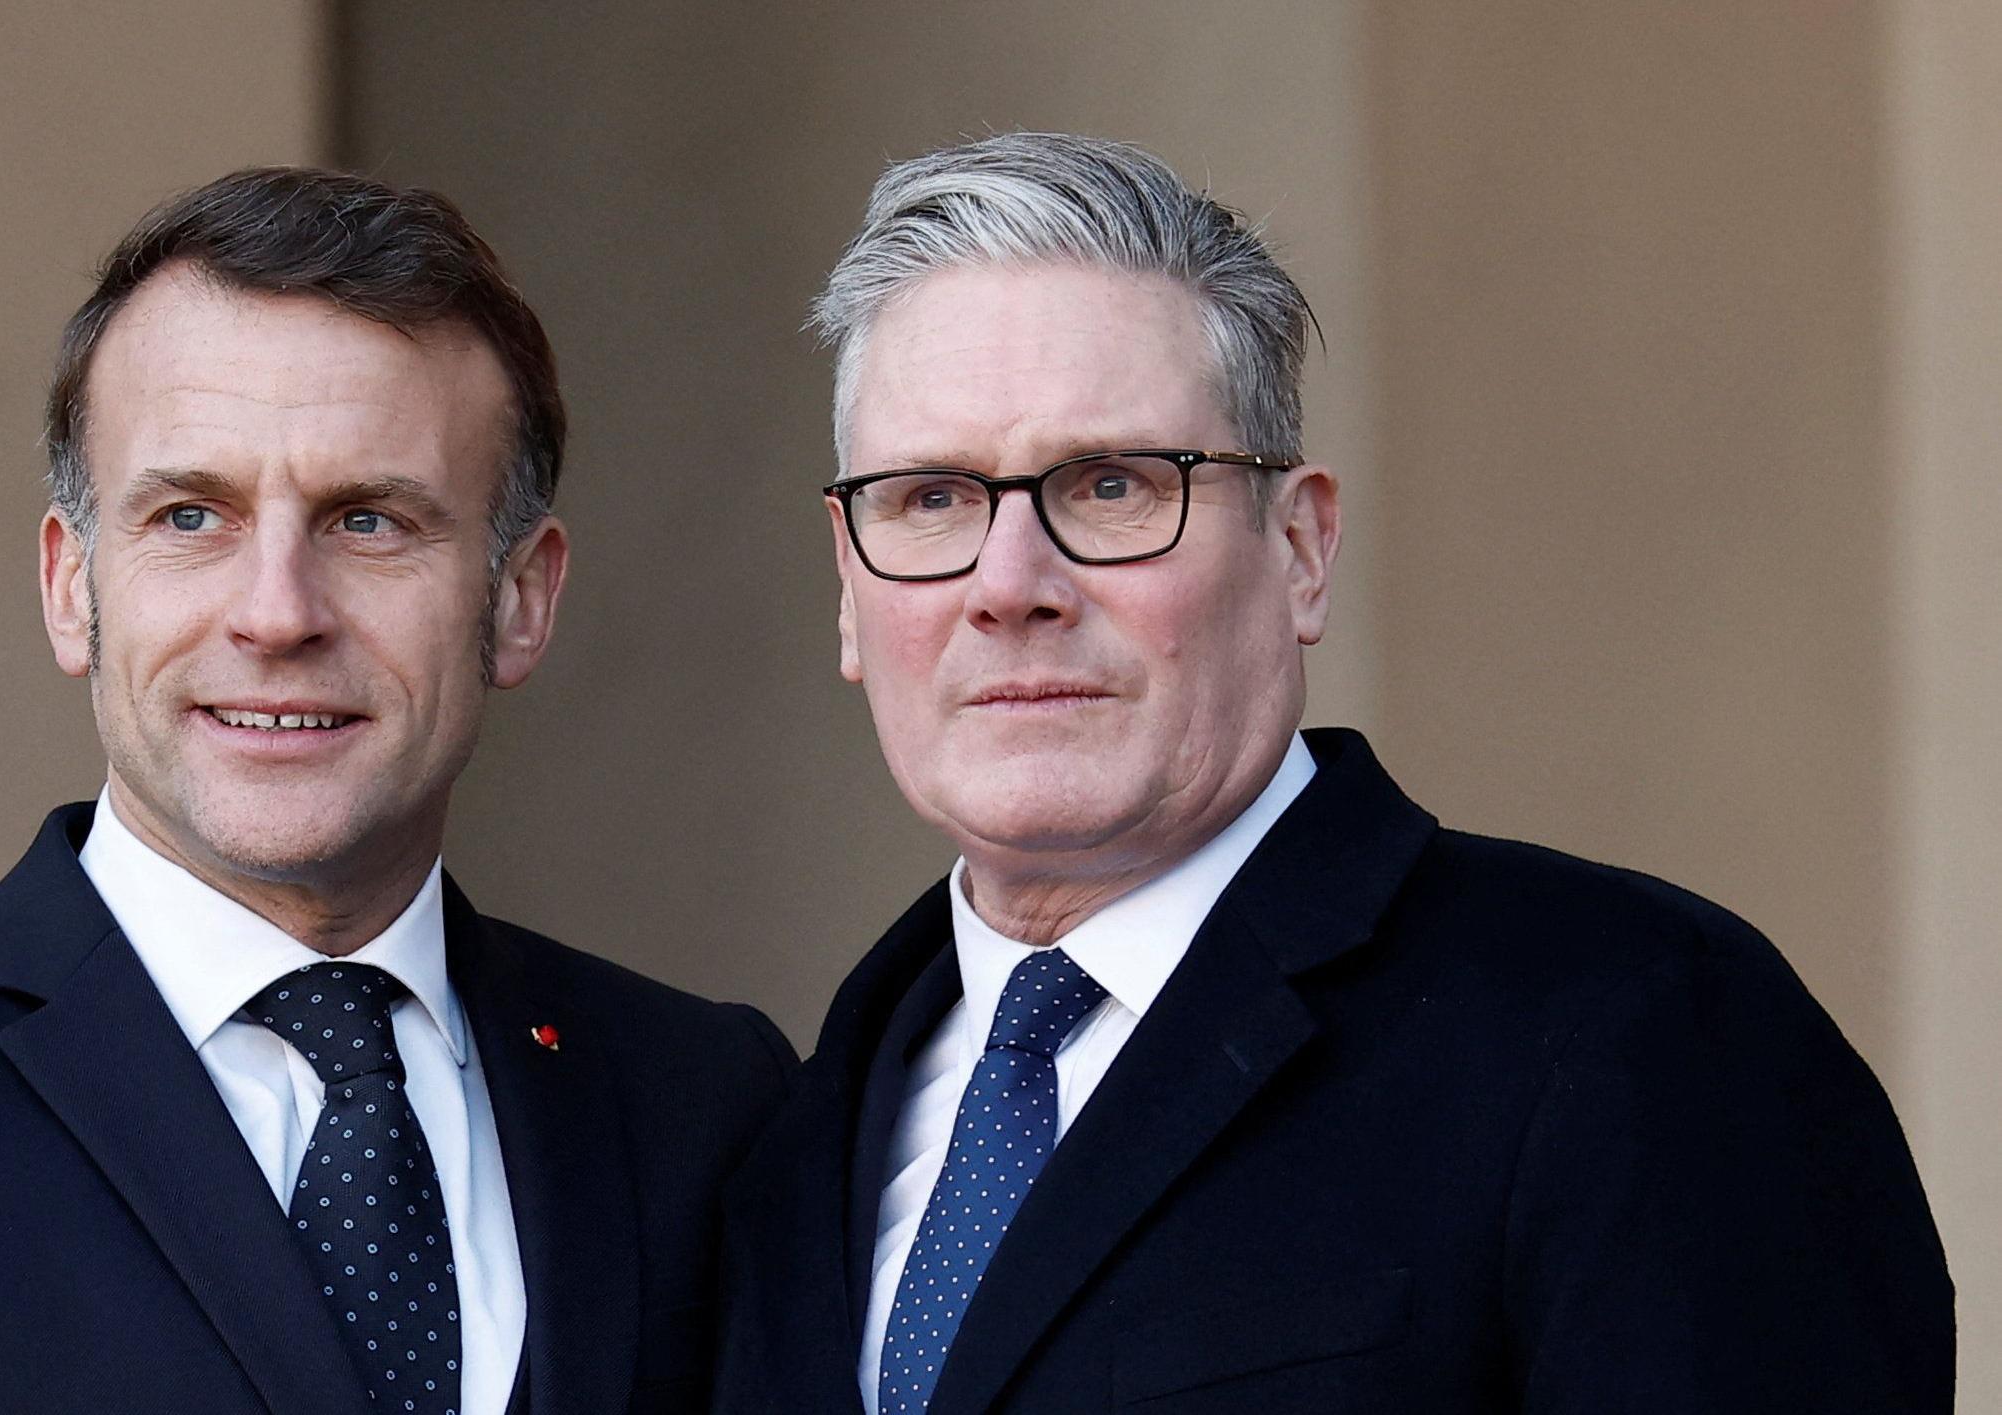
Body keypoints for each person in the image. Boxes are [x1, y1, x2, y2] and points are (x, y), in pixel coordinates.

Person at [713, 133, 1950, 1414]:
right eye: (930, 501)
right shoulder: (782, 1139)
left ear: (1299, 547)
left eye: (1113, 484)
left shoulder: (1627, 1025)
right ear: (848, 592)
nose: (1009, 585)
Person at [0, 167, 793, 1415]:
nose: (275, 613)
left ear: (520, 598)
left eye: (369, 522)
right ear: (70, 585)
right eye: (192, 514)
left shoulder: (705, 1101)